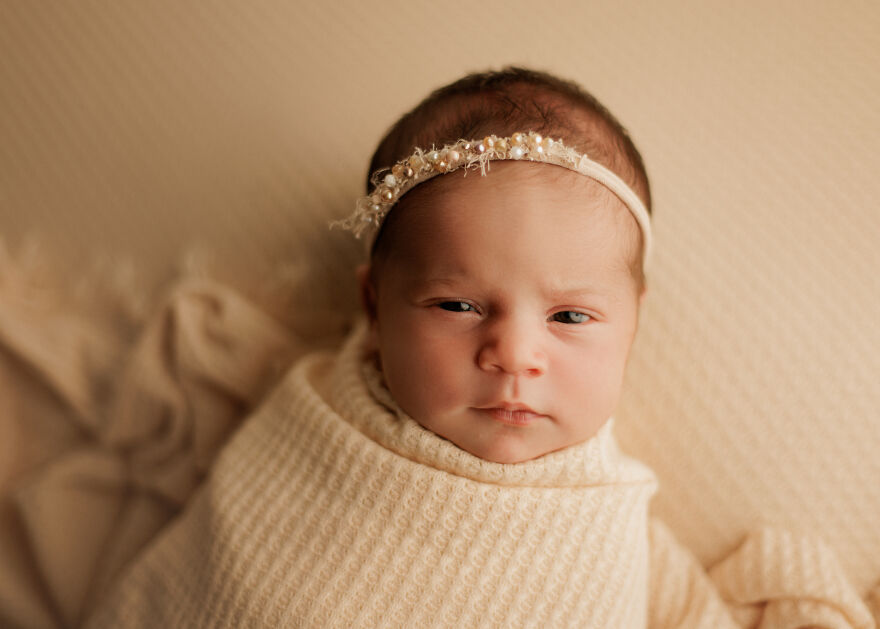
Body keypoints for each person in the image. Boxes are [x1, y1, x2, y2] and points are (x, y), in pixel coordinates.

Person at [85, 67, 874, 628]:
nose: (514, 354)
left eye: (571, 316)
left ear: (633, 321)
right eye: (458, 305)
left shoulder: (612, 513)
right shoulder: (315, 417)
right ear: (374, 305)